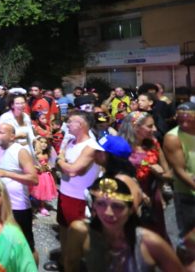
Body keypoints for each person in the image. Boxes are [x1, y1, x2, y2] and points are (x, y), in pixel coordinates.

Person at [65, 176, 183, 272]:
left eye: (117, 206)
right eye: (101, 203)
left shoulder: (149, 242)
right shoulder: (80, 232)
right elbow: (71, 266)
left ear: (131, 209)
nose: (108, 212)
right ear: (94, 206)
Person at [47, 111, 103, 271]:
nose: (67, 124)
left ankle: (76, 266)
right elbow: (63, 162)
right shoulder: (71, 141)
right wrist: (62, 161)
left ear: (82, 125)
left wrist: (60, 160)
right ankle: (65, 264)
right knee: (64, 229)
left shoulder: (91, 146)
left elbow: (72, 170)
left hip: (80, 198)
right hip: (65, 193)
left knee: (77, 236)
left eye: (71, 122)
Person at [119, 111, 172, 242]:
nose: (154, 129)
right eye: (149, 126)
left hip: (153, 196)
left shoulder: (153, 143)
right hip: (129, 197)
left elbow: (167, 174)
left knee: (155, 234)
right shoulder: (121, 146)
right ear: (135, 126)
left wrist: (159, 174)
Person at [0, 123, 39, 264]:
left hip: (19, 206)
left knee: (26, 245)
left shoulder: (20, 151)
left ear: (12, 136)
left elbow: (33, 179)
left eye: (1, 132)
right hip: (2, 205)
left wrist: (7, 173)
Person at [163, 102, 195, 254]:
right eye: (180, 119)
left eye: (188, 118)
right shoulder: (173, 137)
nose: (184, 122)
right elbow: (179, 170)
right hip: (187, 194)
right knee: (187, 238)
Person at [31, 136, 58, 216]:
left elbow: (49, 163)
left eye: (45, 142)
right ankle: (33, 205)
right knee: (34, 190)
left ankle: (41, 206)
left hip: (45, 175)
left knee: (43, 190)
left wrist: (48, 167)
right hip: (37, 174)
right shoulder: (35, 153)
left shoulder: (47, 153)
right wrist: (37, 167)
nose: (43, 144)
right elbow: (31, 163)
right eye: (41, 142)